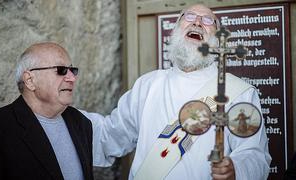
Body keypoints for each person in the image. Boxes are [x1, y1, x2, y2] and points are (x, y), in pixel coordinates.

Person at [82, 3, 271, 180]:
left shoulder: (239, 93)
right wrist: (62, 117)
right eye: (189, 16)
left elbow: (254, 154)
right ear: (175, 29)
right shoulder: (147, 85)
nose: (197, 22)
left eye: (207, 20)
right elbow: (110, 134)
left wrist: (236, 169)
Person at [0, 42, 94, 180]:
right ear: (30, 80)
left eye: (72, 70)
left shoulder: (81, 123)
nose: (72, 78)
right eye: (61, 70)